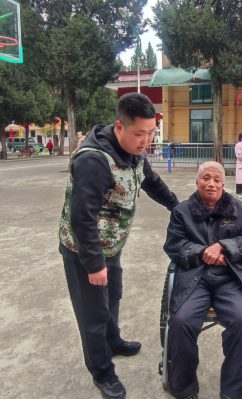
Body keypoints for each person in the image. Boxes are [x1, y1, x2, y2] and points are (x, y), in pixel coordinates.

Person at [58, 93, 179, 399]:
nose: (146, 141)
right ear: (119, 127)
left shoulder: (135, 152)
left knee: (113, 297)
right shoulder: (94, 161)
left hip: (111, 245)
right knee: (93, 315)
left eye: (151, 133)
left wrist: (177, 207)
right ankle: (102, 372)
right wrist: (93, 264)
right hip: (84, 252)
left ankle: (113, 341)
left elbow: (150, 181)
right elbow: (82, 217)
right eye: (140, 134)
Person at [163, 161, 242, 399]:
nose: (211, 184)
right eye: (206, 178)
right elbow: (174, 245)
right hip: (194, 277)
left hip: (231, 277)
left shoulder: (240, 210)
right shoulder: (181, 212)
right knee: (181, 321)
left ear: (223, 184)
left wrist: (223, 247)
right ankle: (184, 387)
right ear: (197, 182)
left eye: (217, 180)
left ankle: (234, 392)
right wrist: (202, 252)